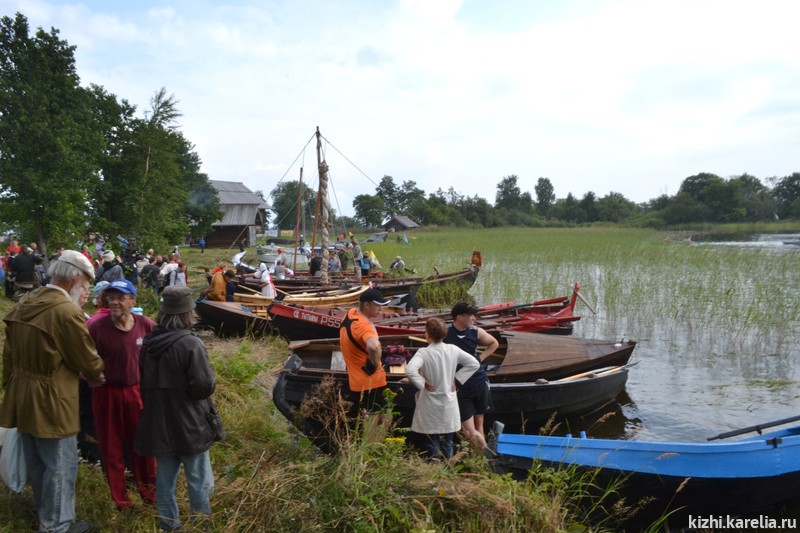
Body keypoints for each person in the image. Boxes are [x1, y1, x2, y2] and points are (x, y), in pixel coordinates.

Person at [0, 250, 106, 533]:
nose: (85, 289)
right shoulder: (65, 311)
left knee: (37, 461)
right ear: (75, 280)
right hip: (53, 397)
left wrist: (10, 384)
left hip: (22, 393)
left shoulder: (26, 301)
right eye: (85, 283)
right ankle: (57, 526)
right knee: (60, 464)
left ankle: (46, 516)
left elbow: (9, 353)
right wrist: (96, 374)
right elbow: (86, 358)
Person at [134, 285, 219, 531]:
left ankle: (169, 525)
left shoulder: (149, 342)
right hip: (190, 423)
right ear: (187, 314)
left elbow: (142, 381)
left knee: (164, 480)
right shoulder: (190, 344)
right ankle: (200, 526)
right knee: (198, 480)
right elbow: (203, 387)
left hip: (158, 421)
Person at [88, 279, 156, 509]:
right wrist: (88, 375)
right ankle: (121, 500)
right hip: (106, 393)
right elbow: (81, 357)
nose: (114, 302)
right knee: (111, 446)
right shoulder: (96, 327)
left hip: (137, 392)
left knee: (143, 445)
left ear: (132, 301)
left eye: (120, 297)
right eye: (111, 297)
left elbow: (160, 352)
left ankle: (150, 494)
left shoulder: (145, 325)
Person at [406, 317, 479, 460]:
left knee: (432, 438)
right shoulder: (452, 349)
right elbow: (474, 364)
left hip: (430, 402)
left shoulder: (423, 352)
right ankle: (449, 466)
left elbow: (410, 370)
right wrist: (457, 379)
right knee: (448, 439)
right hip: (448, 400)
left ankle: (435, 466)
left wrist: (422, 383)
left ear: (428, 333)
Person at [444, 301, 499, 452]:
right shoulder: (445, 331)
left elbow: (494, 343)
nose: (474, 318)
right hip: (460, 384)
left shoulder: (476, 331)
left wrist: (480, 358)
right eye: (471, 315)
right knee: (467, 430)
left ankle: (478, 456)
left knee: (479, 422)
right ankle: (487, 454)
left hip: (479, 381)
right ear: (459, 317)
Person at [339, 288, 391, 416]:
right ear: (366, 305)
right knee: (380, 420)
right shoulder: (363, 326)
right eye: (378, 305)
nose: (381, 309)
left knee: (363, 418)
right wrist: (376, 363)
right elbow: (374, 346)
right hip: (372, 381)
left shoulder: (350, 314)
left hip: (356, 381)